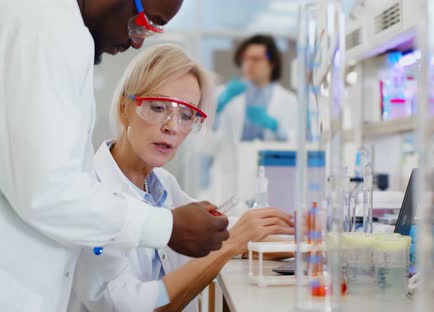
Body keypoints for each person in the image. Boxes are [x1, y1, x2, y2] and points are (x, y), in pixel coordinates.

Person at [0, 1, 229, 311]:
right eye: (145, 22)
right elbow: (47, 190)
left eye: (188, 115)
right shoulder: (38, 20)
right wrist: (167, 228)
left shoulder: (57, 30)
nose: (137, 41)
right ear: (125, 107)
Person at [69, 44, 294, 312]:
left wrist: (302, 235)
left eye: (186, 115)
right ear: (124, 108)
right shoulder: (90, 192)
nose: (173, 127)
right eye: (158, 107)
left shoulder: (162, 185)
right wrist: (229, 246)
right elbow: (131, 306)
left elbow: (224, 229)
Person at [204, 34, 298, 205]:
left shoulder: (289, 101)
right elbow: (206, 146)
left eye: (255, 59)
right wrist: (216, 110)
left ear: (272, 62)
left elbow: (296, 145)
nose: (249, 64)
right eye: (245, 59)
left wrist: (276, 127)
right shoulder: (224, 95)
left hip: (270, 179)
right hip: (228, 181)